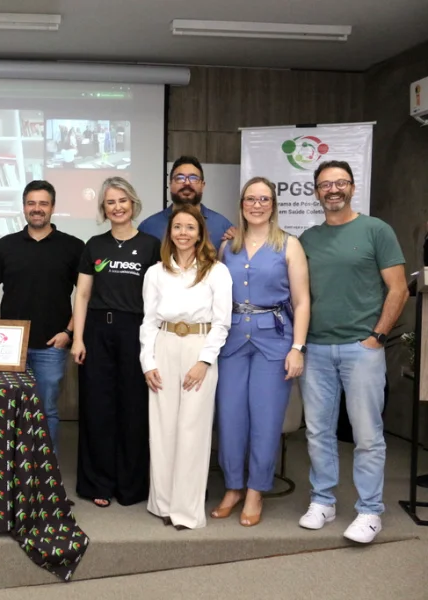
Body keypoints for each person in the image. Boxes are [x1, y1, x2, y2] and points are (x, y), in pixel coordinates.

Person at [297, 160, 407, 544]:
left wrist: (377, 336)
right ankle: (323, 501)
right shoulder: (308, 238)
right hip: (317, 349)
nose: (333, 190)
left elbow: (399, 288)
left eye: (340, 182)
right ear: (316, 191)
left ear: (352, 187)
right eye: (325, 184)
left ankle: (370, 510)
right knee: (318, 432)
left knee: (366, 434)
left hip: (362, 349)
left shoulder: (376, 230)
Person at [211, 177, 310, 527]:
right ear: (242, 204)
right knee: (230, 417)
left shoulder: (289, 245)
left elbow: (301, 301)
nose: (256, 204)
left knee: (266, 420)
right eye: (250, 199)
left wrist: (297, 348)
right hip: (232, 341)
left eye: (263, 199)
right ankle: (233, 486)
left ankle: (255, 490)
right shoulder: (228, 247)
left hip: (275, 341)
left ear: (273, 205)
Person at [140, 204, 232, 530]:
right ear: (170, 233)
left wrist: (204, 361)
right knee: (162, 428)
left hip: (199, 349)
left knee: (192, 430)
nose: (183, 233)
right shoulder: (155, 273)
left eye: (189, 227)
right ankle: (163, 503)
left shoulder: (216, 271)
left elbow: (222, 323)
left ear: (200, 233)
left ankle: (186, 510)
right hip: (163, 346)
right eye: (177, 227)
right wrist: (147, 362)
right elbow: (149, 322)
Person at [71, 177, 160, 507]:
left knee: (134, 410)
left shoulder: (152, 245)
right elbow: (82, 294)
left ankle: (131, 486)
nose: (118, 207)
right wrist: (78, 338)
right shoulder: (94, 245)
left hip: (136, 332)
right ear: (103, 209)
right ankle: (98, 483)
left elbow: (159, 296)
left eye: (123, 200)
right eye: (110, 202)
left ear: (133, 203)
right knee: (98, 409)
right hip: (97, 332)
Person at [0, 180, 84, 456]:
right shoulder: (5, 245)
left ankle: (44, 472)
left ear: (52, 207)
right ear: (24, 207)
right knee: (7, 409)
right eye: (31, 203)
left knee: (47, 410)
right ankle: (9, 466)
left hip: (52, 346)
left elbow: (85, 295)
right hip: (9, 347)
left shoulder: (73, 247)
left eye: (43, 203)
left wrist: (69, 332)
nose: (36, 209)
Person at [138, 155, 235, 249]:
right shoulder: (148, 228)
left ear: (202, 185)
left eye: (194, 178)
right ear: (170, 184)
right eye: (180, 178)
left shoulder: (223, 227)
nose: (187, 183)